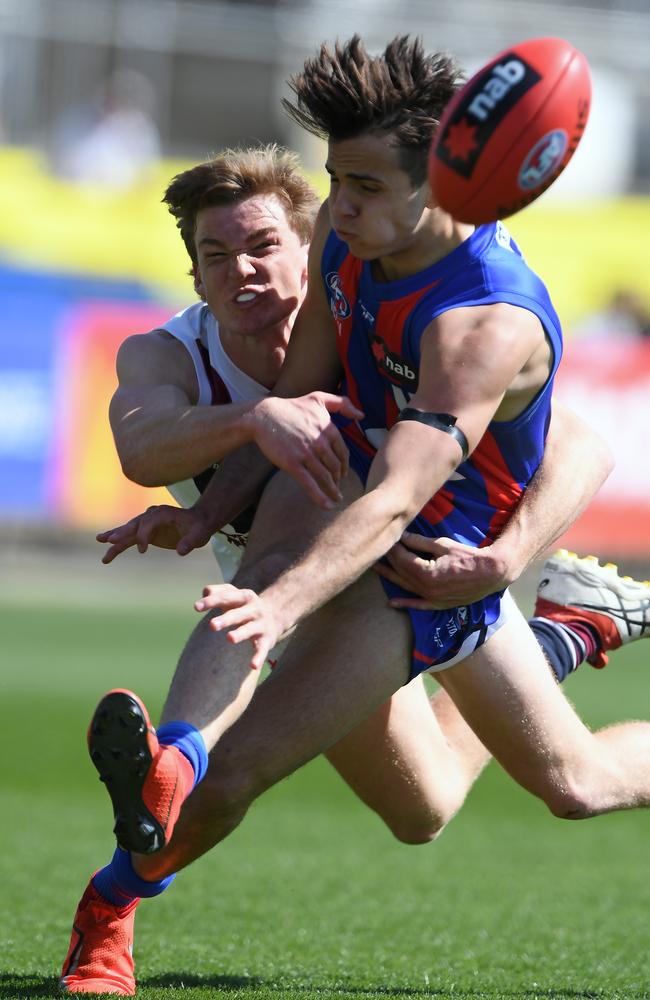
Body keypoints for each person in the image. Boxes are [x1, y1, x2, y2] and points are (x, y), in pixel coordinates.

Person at [60, 114, 647, 995]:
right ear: (193, 274)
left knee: (579, 785)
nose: (242, 270)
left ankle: (132, 855)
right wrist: (244, 440)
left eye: (262, 244)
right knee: (425, 810)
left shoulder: (383, 304)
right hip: (337, 598)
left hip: (433, 580)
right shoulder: (172, 352)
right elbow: (143, 450)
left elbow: (582, 447)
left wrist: (511, 553)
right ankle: (568, 633)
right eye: (215, 256)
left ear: (311, 246)